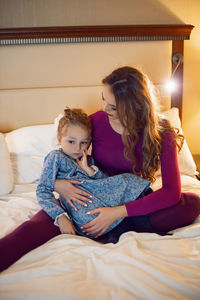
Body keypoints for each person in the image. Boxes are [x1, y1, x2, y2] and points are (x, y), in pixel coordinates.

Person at [0, 66, 199, 272]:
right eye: (103, 99)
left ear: (133, 107)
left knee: (192, 203)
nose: (104, 109)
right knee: (29, 231)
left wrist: (115, 213)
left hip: (128, 200)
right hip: (86, 196)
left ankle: (117, 226)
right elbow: (63, 158)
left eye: (112, 106)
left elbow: (171, 193)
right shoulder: (95, 123)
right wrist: (59, 185)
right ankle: (116, 228)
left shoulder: (161, 132)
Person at [37, 107, 151, 238]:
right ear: (59, 138)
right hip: (82, 206)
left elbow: (103, 181)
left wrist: (88, 169)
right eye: (71, 141)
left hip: (99, 197)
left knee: (128, 180)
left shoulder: (87, 158)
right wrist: (61, 217)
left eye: (83, 142)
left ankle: (143, 230)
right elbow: (42, 190)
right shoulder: (55, 157)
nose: (77, 148)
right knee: (93, 214)